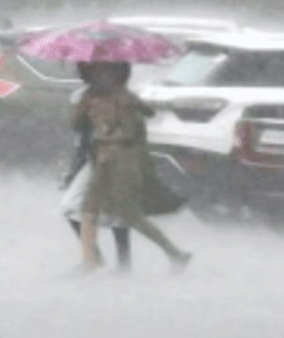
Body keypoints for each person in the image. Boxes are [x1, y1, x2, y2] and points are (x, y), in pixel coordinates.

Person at [73, 61, 191, 274]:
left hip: (122, 161)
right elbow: (75, 124)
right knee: (88, 209)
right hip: (104, 159)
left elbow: (137, 124)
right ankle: (89, 259)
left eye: (103, 75)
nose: (97, 80)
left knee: (129, 214)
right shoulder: (93, 99)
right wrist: (85, 106)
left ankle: (175, 253)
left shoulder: (124, 99)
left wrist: (111, 113)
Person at [59, 62, 132, 269]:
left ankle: (116, 264)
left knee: (116, 212)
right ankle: (97, 258)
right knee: (73, 208)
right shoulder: (84, 95)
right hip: (97, 160)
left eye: (83, 68)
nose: (77, 72)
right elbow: (80, 136)